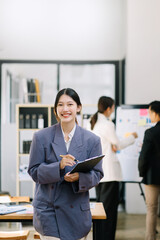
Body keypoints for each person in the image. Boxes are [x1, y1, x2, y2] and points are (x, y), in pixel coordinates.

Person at [28, 88, 103, 240]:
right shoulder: (41, 137)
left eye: (70, 104)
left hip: (77, 216)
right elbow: (34, 171)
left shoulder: (92, 140)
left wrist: (79, 178)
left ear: (78, 107)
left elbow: (97, 174)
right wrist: (59, 166)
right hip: (49, 214)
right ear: (56, 109)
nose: (65, 109)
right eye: (60, 105)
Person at [90, 96, 138, 240]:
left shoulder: (92, 123)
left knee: (99, 209)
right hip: (110, 173)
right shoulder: (107, 125)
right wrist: (132, 137)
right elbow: (118, 144)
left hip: (97, 172)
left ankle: (99, 237)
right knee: (109, 212)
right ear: (109, 108)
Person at [138, 101, 160, 240]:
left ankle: (150, 237)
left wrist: (142, 172)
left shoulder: (150, 132)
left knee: (151, 209)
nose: (149, 115)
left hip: (153, 177)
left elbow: (144, 156)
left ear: (156, 113)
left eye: (150, 112)